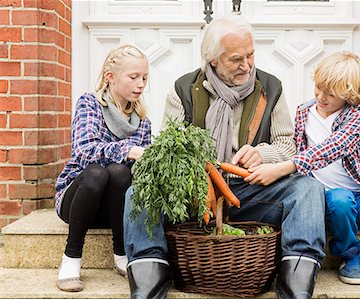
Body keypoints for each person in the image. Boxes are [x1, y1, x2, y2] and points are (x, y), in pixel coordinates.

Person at [123, 14, 326, 299]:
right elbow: (168, 149)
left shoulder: (271, 87)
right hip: (194, 196)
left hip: (251, 191)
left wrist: (262, 153)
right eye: (236, 59)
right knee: (138, 193)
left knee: (308, 189)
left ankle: (297, 281)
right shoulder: (183, 89)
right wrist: (200, 171)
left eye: (251, 54)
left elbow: (287, 144)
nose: (247, 65)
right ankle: (149, 277)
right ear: (213, 60)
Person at [246, 51, 360, 286]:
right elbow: (294, 147)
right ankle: (351, 255)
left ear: (349, 95)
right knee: (339, 199)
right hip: (330, 201)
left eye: (331, 94)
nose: (321, 97)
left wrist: (285, 167)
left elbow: (333, 147)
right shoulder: (304, 111)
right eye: (319, 88)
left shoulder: (357, 117)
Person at [54, 44, 151, 292]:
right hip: (78, 200)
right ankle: (71, 257)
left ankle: (121, 251)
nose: (141, 84)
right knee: (97, 171)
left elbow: (141, 171)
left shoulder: (142, 120)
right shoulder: (90, 104)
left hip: (113, 209)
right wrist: (126, 151)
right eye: (133, 77)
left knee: (120, 172)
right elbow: (84, 150)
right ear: (110, 77)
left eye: (144, 78)